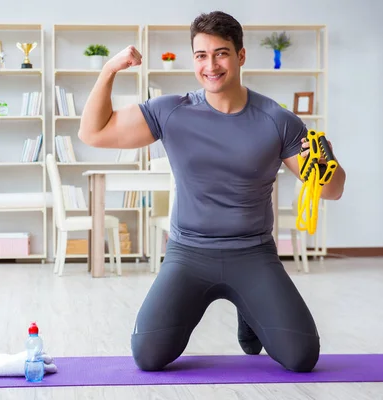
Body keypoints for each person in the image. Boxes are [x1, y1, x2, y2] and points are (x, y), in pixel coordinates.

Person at [78, 10, 346, 373]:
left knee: (302, 357)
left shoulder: (277, 119)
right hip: (189, 254)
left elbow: (331, 192)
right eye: (201, 55)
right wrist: (109, 70)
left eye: (221, 53)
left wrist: (326, 161)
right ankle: (246, 306)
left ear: (240, 56)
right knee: (148, 356)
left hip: (253, 255)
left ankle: (250, 313)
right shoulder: (171, 112)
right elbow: (93, 133)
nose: (211, 65)